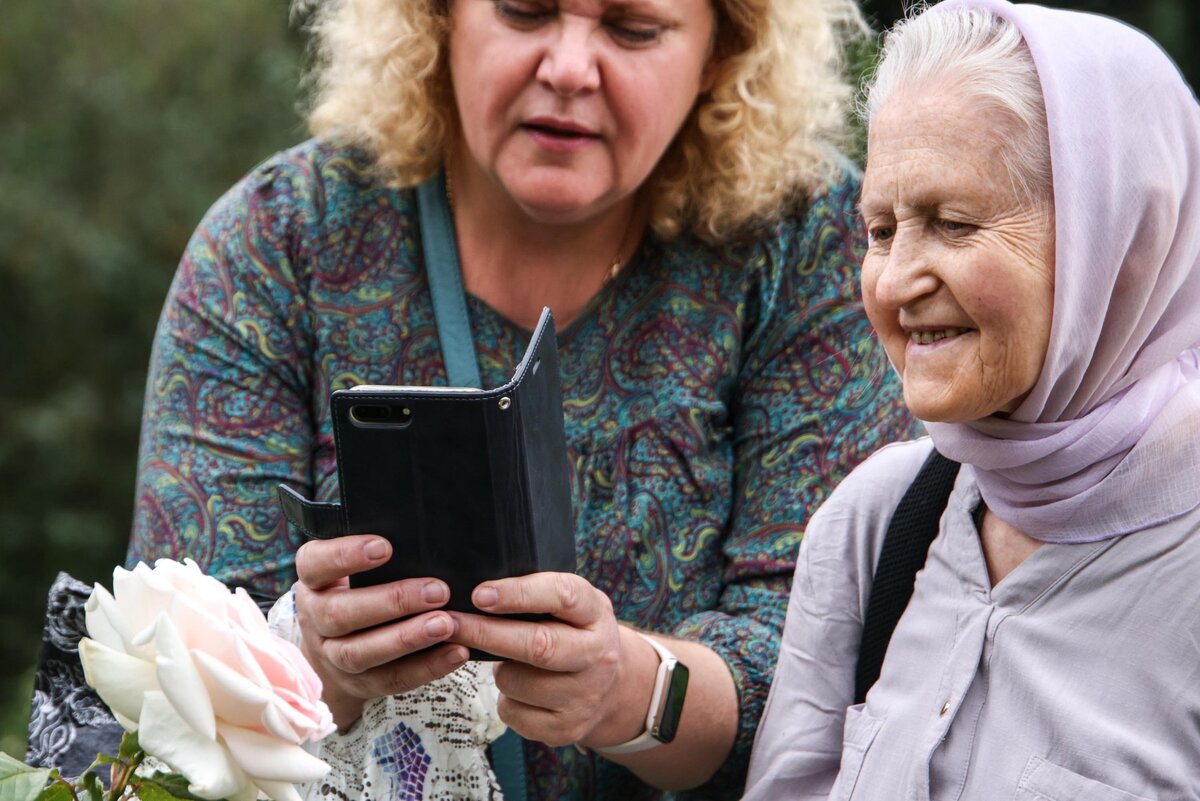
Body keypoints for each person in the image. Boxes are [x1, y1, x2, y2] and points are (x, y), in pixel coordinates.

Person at [126, 0, 914, 798]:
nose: (569, 68)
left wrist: (628, 689)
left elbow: (825, 668)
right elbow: (175, 672)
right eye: (526, 11)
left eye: (633, 29)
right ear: (437, 21)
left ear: (724, 54)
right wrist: (321, 665)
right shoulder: (280, 242)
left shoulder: (812, 248)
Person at [741, 0, 1200, 798]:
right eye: (881, 229)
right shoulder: (875, 522)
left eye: (951, 222)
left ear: (1121, 242)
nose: (893, 281)